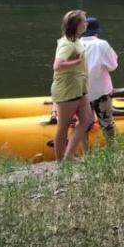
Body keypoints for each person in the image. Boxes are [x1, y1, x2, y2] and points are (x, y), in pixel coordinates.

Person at [51, 10, 93, 162]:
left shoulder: (76, 40)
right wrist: (76, 62)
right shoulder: (67, 44)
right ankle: (61, 160)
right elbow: (57, 66)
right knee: (63, 126)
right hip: (68, 89)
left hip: (79, 87)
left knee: (87, 119)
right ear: (77, 25)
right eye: (84, 20)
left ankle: (68, 155)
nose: (87, 23)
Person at [80, 17, 118, 142]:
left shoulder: (74, 44)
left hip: (80, 92)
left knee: (83, 124)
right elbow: (112, 66)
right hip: (101, 91)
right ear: (96, 31)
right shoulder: (101, 44)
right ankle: (112, 150)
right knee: (107, 123)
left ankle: (86, 154)